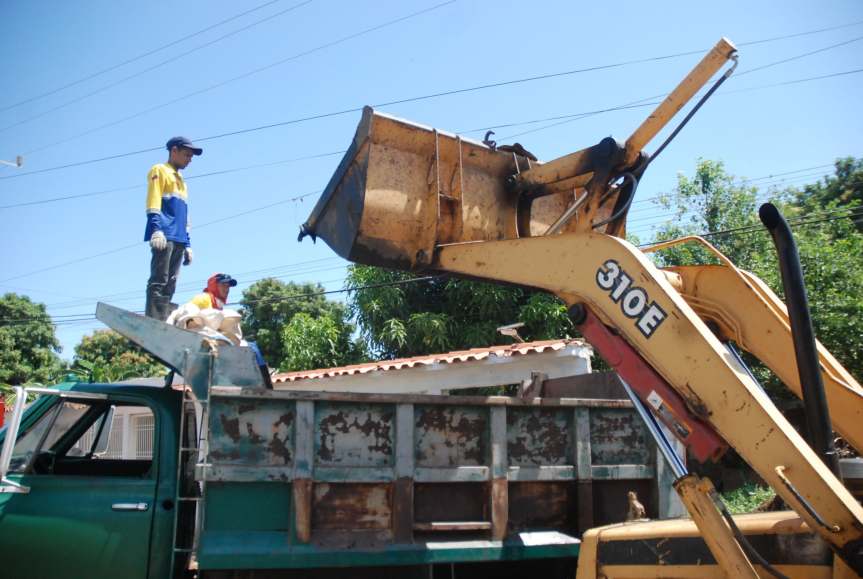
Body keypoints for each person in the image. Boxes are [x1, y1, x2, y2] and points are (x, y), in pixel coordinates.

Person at [144, 136, 202, 320]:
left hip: (179, 237)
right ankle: (154, 318)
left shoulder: (182, 182)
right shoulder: (160, 170)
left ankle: (164, 320)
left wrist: (188, 243)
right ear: (174, 151)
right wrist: (156, 229)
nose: (189, 159)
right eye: (186, 155)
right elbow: (153, 200)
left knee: (172, 282)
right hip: (164, 234)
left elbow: (184, 214)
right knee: (159, 279)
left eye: (191, 157)